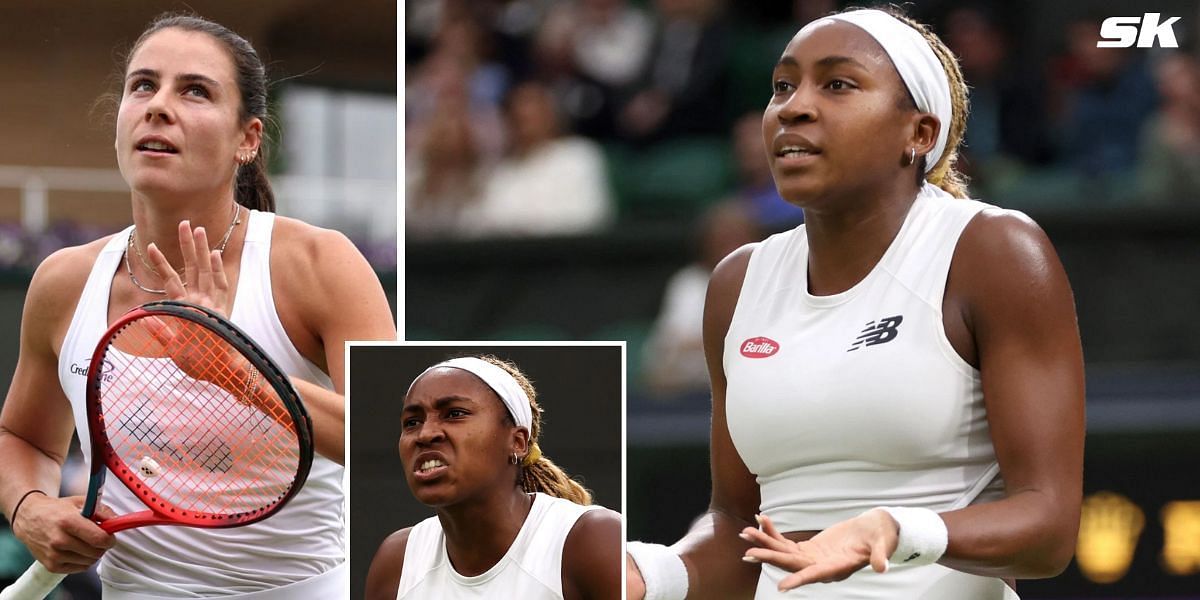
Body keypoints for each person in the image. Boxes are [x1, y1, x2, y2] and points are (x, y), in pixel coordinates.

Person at [627, 7, 1084, 599]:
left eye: (838, 84)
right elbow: (736, 533)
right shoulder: (737, 283)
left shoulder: (993, 251)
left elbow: (1047, 530)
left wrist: (895, 528)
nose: (794, 106)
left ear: (919, 134)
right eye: (783, 86)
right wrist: (646, 576)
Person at [0, 13, 395, 598]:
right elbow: (22, 438)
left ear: (248, 139)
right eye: (143, 85)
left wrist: (235, 370)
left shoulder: (319, 264)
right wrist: (29, 507)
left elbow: (397, 435)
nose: (159, 106)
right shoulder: (63, 281)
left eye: (195, 91)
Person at [365, 355, 622, 600]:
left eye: (455, 413)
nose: (425, 434)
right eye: (412, 422)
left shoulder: (592, 539)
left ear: (518, 442)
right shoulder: (396, 560)